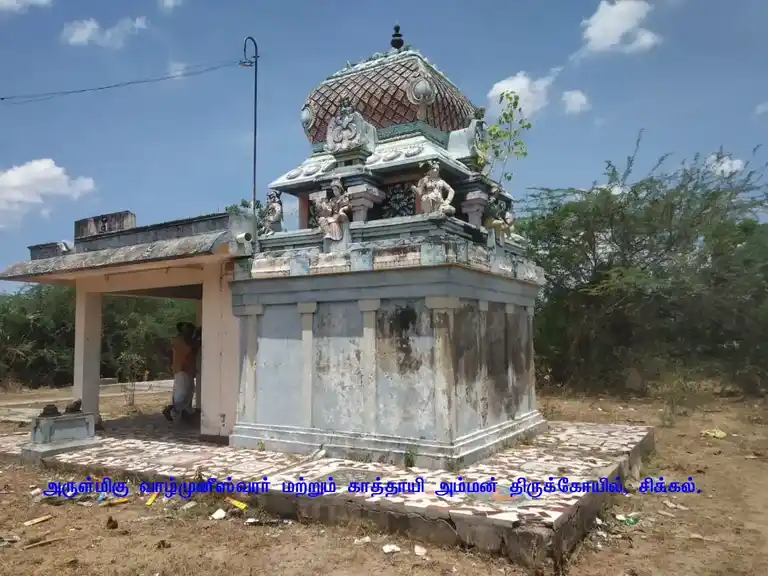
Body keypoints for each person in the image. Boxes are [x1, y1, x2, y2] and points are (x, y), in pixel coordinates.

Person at [162, 322, 197, 422]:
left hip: (185, 369)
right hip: (183, 369)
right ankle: (172, 409)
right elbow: (193, 347)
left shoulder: (180, 340)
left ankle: (185, 412)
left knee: (188, 391)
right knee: (183, 393)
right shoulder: (182, 340)